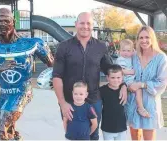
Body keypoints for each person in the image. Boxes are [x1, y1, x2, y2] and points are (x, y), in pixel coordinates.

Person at [0, 8, 54, 140]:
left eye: (6, 20)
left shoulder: (33, 43)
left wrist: (53, 80)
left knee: (0, 131)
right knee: (9, 131)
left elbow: (53, 65)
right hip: (5, 92)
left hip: (23, 89)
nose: (2, 24)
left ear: (14, 21)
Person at [52, 12, 127, 140]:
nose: (85, 26)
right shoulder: (63, 47)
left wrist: (123, 85)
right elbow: (57, 76)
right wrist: (62, 102)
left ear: (93, 26)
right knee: (74, 135)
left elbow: (111, 71)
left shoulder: (101, 46)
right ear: (76, 24)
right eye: (82, 23)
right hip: (71, 101)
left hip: (94, 101)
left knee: (93, 134)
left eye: (89, 23)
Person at [126, 26, 167, 140]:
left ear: (152, 38)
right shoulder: (134, 56)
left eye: (147, 37)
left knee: (149, 139)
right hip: (133, 101)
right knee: (135, 138)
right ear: (137, 40)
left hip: (150, 103)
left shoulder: (161, 58)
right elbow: (125, 74)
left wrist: (141, 84)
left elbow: (162, 83)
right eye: (141, 37)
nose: (144, 40)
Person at [116, 39, 149, 118]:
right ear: (119, 51)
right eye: (123, 50)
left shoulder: (130, 57)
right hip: (126, 80)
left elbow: (135, 53)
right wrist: (132, 72)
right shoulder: (121, 59)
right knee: (139, 89)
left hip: (130, 79)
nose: (126, 53)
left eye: (128, 51)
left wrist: (133, 51)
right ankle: (140, 108)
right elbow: (121, 71)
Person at [100, 64, 127, 140]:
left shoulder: (124, 91)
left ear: (122, 78)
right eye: (113, 77)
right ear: (107, 78)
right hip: (107, 128)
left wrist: (124, 85)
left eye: (118, 77)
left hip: (122, 128)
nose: (116, 80)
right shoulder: (102, 90)